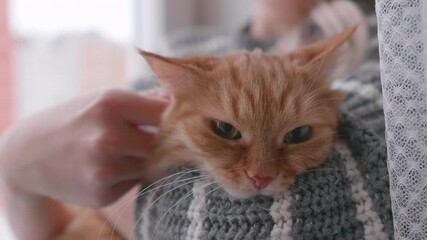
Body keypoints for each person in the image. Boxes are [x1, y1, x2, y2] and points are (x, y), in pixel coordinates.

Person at [0, 0, 379, 239]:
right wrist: (12, 168)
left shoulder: (385, 44)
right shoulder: (179, 46)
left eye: (296, 134)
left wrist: (20, 167)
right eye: (226, 130)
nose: (261, 172)